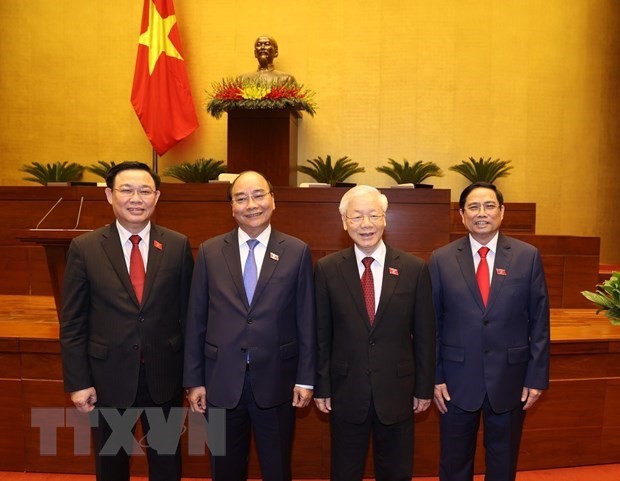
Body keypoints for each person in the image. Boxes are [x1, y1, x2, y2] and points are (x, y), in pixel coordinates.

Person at [60, 161, 194, 481]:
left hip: (164, 377)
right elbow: (73, 321)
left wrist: (193, 377)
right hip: (110, 379)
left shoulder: (177, 245)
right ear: (109, 195)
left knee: (166, 465)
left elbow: (189, 315)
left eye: (145, 191)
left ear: (157, 196)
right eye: (127, 190)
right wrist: (78, 382)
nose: (137, 198)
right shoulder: (85, 248)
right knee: (113, 466)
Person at [183, 170, 315, 481]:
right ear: (231, 206)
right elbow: (196, 319)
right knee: (225, 470)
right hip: (221, 381)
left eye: (258, 195)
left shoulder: (297, 251)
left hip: (277, 381)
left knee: (277, 469)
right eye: (241, 198)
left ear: (273, 200)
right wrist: (194, 380)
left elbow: (306, 318)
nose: (250, 204)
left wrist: (306, 379)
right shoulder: (209, 251)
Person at [429, 182, 550, 481]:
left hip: (511, 380)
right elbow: (432, 324)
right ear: (461, 215)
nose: (481, 213)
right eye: (473, 207)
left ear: (502, 211)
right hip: (455, 383)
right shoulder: (441, 259)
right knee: (454, 464)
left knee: (503, 464)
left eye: (489, 206)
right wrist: (436, 376)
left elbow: (540, 321)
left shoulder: (527, 256)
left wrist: (536, 377)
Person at [314, 185, 436, 481]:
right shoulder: (327, 269)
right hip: (346, 392)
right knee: (344, 472)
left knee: (396, 472)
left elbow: (424, 335)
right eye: (356, 217)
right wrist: (322, 386)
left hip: (398, 392)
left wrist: (423, 387)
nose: (366, 224)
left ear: (385, 219)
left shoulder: (414, 269)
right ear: (344, 222)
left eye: (373, 215)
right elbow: (320, 334)